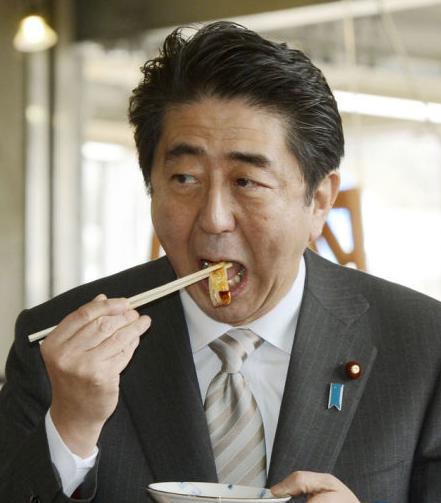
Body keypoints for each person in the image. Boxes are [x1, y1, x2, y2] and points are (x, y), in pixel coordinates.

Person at [1, 21, 441, 503]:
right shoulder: (54, 349)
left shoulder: (423, 346)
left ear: (318, 201)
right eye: (185, 178)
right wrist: (71, 427)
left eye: (246, 182)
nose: (213, 219)